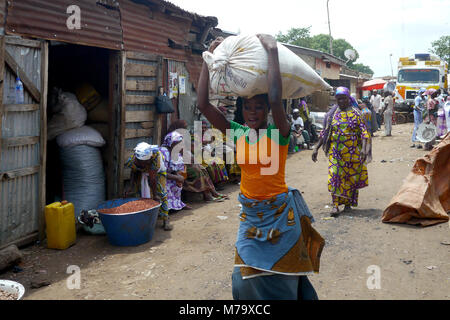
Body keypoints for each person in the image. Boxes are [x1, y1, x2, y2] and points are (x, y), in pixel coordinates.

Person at [198, 34, 324, 300]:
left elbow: (277, 99)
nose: (252, 112)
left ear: (267, 110)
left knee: (283, 275)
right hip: (251, 217)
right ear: (242, 110)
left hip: (279, 215)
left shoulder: (279, 135)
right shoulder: (237, 133)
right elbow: (203, 105)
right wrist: (207, 60)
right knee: (242, 278)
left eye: (258, 108)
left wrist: (272, 51)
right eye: (248, 107)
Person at [312, 86, 371, 216]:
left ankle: (348, 204)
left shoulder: (356, 114)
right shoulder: (332, 115)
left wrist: (365, 150)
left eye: (344, 98)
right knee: (335, 176)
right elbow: (325, 133)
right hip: (336, 153)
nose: (341, 101)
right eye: (339, 99)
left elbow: (364, 133)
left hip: (352, 153)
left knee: (350, 178)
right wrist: (316, 147)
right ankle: (335, 205)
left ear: (349, 98)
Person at [167, 120, 228, 202]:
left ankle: (212, 193)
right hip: (175, 164)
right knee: (197, 171)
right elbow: (180, 153)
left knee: (202, 168)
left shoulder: (181, 136)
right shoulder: (173, 137)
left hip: (184, 161)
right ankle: (209, 195)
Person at [124, 142, 173, 231]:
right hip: (142, 172)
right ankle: (142, 218)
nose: (143, 165)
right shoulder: (134, 159)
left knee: (161, 193)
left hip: (158, 173)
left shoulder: (155, 159)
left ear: (149, 159)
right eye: (141, 163)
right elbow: (133, 172)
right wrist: (130, 187)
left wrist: (155, 195)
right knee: (138, 192)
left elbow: (153, 179)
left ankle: (165, 219)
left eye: (145, 163)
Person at [159, 131, 192, 212]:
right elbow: (160, 172)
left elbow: (176, 168)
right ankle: (167, 208)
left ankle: (177, 204)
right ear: (170, 142)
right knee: (166, 184)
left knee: (178, 184)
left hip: (170, 175)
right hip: (161, 176)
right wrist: (176, 177)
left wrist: (178, 177)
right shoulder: (163, 152)